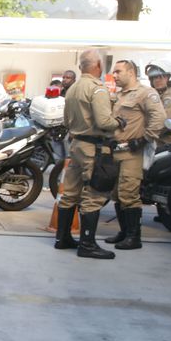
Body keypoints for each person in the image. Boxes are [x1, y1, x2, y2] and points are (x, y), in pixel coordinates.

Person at [55, 49, 121, 259]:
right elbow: (104, 121)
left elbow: (66, 121)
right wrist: (119, 122)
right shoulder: (97, 89)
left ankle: (62, 237)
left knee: (70, 192)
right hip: (94, 148)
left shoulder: (73, 88)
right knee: (94, 194)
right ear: (98, 66)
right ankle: (87, 244)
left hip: (76, 146)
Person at [104, 60, 166, 250]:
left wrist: (144, 139)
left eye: (118, 71)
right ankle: (124, 232)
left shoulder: (145, 93)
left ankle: (134, 237)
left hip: (133, 153)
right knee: (117, 194)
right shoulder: (121, 94)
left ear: (131, 72)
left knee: (129, 193)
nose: (114, 75)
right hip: (117, 151)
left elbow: (159, 117)